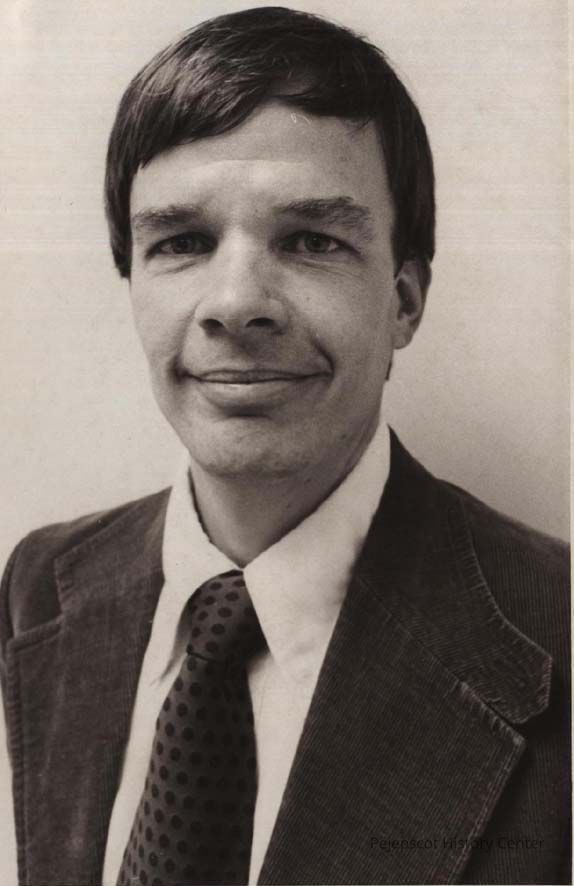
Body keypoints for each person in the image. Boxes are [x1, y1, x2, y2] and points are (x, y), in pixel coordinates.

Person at [0, 6, 569, 885]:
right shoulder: (40, 584)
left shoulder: (555, 628)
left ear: (404, 302)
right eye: (182, 242)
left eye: (311, 240)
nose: (236, 304)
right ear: (134, 284)